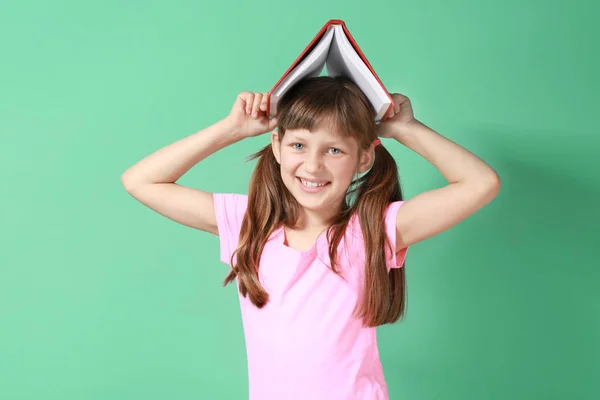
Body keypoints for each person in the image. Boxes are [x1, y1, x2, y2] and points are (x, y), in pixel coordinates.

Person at [121, 76, 501, 400]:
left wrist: (404, 128)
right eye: (299, 145)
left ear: (363, 160)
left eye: (334, 150)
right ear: (276, 146)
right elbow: (141, 180)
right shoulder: (250, 223)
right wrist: (232, 129)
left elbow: (480, 183)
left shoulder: (373, 230)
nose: (313, 165)